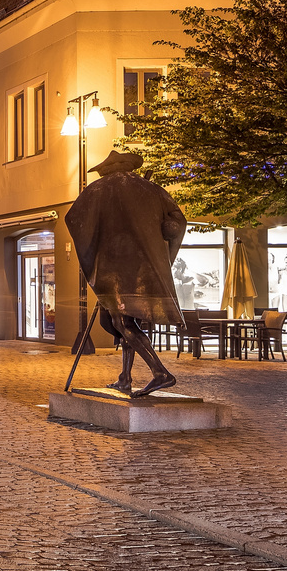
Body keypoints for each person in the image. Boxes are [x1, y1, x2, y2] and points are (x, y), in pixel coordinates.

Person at [64, 150, 186, 397]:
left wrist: (96, 249)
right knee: (129, 321)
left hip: (117, 268)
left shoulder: (99, 190)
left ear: (108, 169)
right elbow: (176, 225)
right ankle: (125, 377)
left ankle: (160, 373)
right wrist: (162, 251)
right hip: (144, 268)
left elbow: (74, 219)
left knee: (122, 321)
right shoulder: (152, 189)